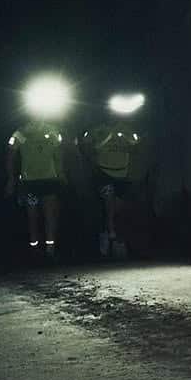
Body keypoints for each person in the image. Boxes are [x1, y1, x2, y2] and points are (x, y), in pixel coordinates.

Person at [79, 97, 146, 259]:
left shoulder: (127, 130)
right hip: (103, 173)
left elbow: (137, 147)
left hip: (122, 175)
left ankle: (110, 235)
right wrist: (93, 160)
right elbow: (86, 146)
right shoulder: (97, 130)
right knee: (108, 202)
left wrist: (128, 141)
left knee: (117, 209)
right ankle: (112, 235)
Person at [6, 121, 66, 258]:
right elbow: (10, 156)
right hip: (29, 182)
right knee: (32, 216)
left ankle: (50, 249)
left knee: (50, 215)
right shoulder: (20, 132)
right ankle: (34, 248)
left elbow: (59, 154)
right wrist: (11, 179)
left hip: (49, 181)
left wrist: (61, 174)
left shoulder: (52, 131)